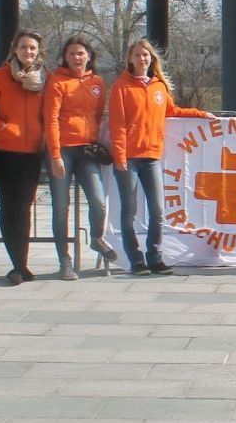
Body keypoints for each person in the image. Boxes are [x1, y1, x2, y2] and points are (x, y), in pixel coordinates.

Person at [109, 39, 215, 274]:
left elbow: (172, 111)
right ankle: (135, 259)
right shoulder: (121, 86)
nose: (142, 59)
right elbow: (117, 125)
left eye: (145, 55)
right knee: (130, 210)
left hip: (152, 156)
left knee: (158, 210)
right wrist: (120, 156)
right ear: (130, 59)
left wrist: (200, 114)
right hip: (128, 157)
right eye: (137, 55)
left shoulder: (159, 86)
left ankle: (154, 255)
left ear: (151, 58)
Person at [44, 34, 118, 281]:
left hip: (87, 150)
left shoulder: (97, 81)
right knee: (61, 207)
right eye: (72, 54)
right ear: (65, 58)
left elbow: (97, 115)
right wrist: (55, 155)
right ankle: (64, 260)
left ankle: (97, 238)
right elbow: (51, 119)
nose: (77, 58)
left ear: (89, 56)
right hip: (63, 149)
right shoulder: (57, 82)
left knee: (98, 201)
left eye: (81, 53)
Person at [0, 30, 48, 286]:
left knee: (24, 207)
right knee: (9, 208)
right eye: (24, 47)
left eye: (32, 48)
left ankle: (21, 263)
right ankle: (18, 265)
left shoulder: (45, 79)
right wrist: (2, 127)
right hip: (4, 152)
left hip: (32, 153)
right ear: (15, 49)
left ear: (38, 52)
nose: (28, 52)